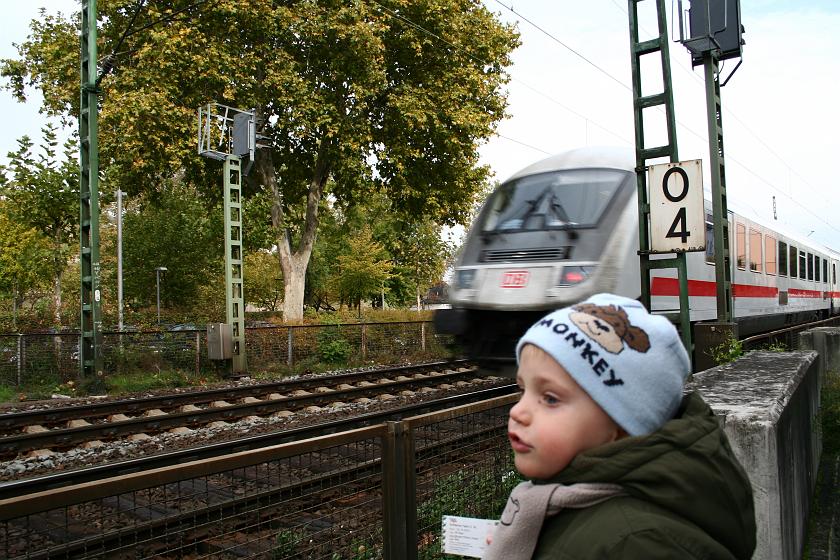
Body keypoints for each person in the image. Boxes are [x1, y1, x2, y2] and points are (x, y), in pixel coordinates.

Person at [483, 293, 756, 560]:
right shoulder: (572, 496)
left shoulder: (639, 544)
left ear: (621, 426)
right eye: (523, 390)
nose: (518, 411)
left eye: (550, 398)